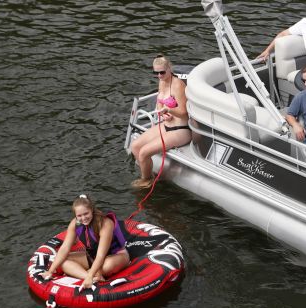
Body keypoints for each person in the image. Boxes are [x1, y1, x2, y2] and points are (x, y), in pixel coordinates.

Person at [40, 194, 130, 288]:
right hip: (92, 257)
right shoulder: (74, 224)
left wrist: (91, 275)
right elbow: (64, 248)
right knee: (61, 262)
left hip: (116, 256)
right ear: (75, 215)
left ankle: (89, 275)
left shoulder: (105, 223)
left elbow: (101, 255)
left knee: (108, 265)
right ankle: (92, 277)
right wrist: (50, 271)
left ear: (92, 210)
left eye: (86, 213)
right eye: (79, 215)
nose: (83, 218)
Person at [130, 54, 192, 188]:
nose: (159, 75)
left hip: (180, 129)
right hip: (166, 124)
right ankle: (149, 175)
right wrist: (163, 114)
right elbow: (159, 103)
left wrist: (169, 111)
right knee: (135, 146)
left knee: (144, 152)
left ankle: (146, 181)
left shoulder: (178, 85)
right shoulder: (162, 82)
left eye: (162, 72)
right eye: (155, 73)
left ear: (170, 68)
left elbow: (183, 112)